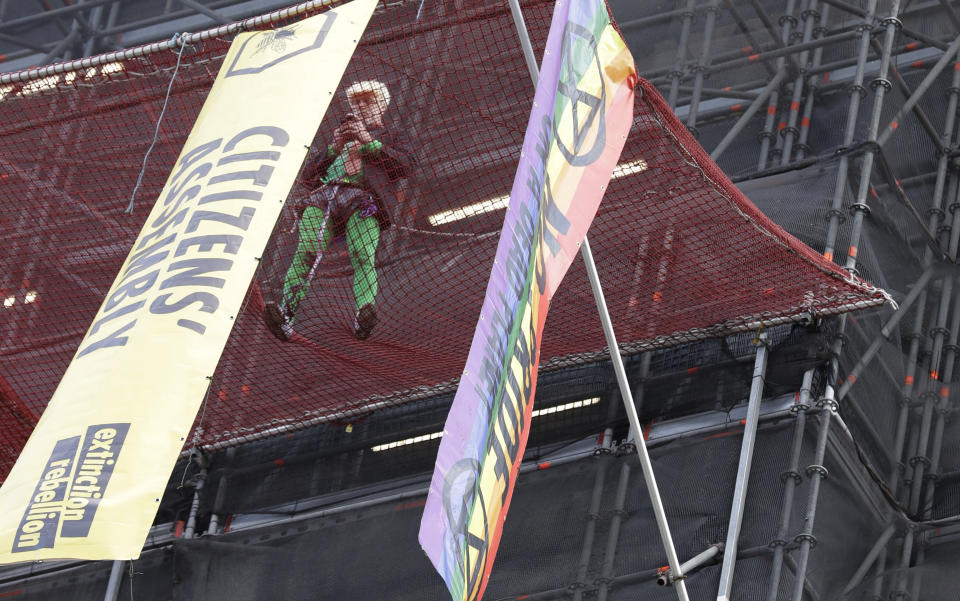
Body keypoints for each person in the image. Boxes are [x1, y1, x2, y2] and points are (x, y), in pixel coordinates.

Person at [264, 80, 413, 340]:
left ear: (382, 105)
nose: (361, 106)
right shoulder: (338, 141)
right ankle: (286, 316)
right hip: (325, 196)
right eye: (357, 102)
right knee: (307, 248)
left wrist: (369, 142)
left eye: (368, 101)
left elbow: (405, 166)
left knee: (362, 252)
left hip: (364, 199)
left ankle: (363, 314)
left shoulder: (391, 135)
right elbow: (308, 177)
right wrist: (333, 147)